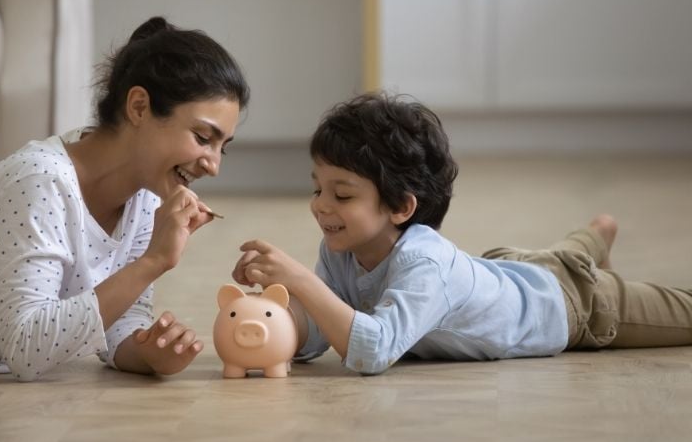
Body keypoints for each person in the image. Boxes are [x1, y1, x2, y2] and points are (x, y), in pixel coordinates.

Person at [0, 16, 250, 381]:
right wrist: (154, 261)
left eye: (224, 147)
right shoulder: (39, 180)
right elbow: (27, 348)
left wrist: (148, 353)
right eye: (204, 137)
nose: (214, 165)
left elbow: (119, 322)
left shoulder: (149, 195)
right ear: (139, 107)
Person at [232, 92, 692, 375]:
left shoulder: (423, 265)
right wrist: (272, 313)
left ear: (401, 207)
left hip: (576, 306)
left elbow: (372, 352)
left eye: (342, 195)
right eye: (317, 188)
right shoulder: (341, 247)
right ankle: (594, 236)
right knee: (554, 259)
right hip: (508, 268)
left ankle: (591, 244)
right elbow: (321, 335)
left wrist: (301, 282)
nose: (320, 205)